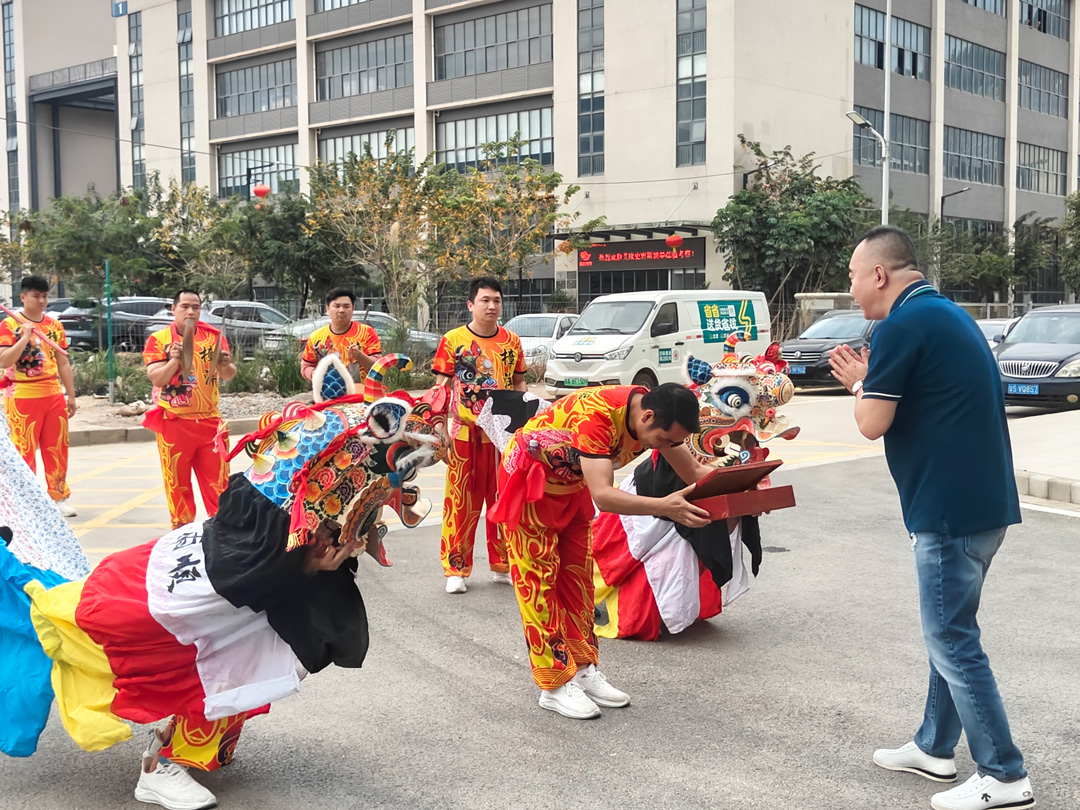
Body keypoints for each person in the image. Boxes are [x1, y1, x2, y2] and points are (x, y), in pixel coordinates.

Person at [0, 355, 449, 810]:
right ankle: (160, 766)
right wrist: (312, 568)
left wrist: (329, 555)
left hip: (194, 581)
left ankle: (191, 742)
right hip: (152, 602)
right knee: (240, 662)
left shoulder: (283, 500)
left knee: (260, 652)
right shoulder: (268, 520)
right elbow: (258, 575)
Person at [828, 226, 1033, 810]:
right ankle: (934, 747)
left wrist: (859, 381)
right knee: (951, 630)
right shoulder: (948, 314)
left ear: (880, 275)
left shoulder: (901, 325)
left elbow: (872, 422)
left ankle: (1004, 773)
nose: (851, 289)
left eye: (851, 276)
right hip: (980, 502)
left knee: (951, 638)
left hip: (948, 510)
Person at [487, 383, 713, 719]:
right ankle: (553, 684)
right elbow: (604, 496)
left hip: (572, 483)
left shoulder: (655, 416)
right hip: (530, 482)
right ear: (647, 417)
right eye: (665, 440)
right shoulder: (599, 418)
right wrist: (665, 507)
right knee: (539, 583)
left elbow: (694, 472)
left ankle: (582, 667)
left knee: (578, 581)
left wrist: (741, 485)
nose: (666, 448)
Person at [432, 276, 526, 594]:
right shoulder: (453, 340)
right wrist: (439, 429)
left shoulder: (512, 341)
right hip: (463, 435)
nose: (491, 305)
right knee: (461, 502)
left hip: (502, 436)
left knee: (503, 499)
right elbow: (440, 390)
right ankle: (455, 568)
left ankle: (503, 564)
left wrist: (523, 426)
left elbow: (519, 385)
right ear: (471, 304)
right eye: (485, 300)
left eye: (496, 300)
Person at [143, 290, 237, 529]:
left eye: (195, 307)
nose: (191, 312)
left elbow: (228, 374)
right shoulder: (159, 339)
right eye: (185, 306)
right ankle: (182, 533)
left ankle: (222, 531)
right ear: (173, 309)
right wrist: (174, 360)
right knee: (177, 484)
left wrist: (225, 364)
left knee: (219, 484)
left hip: (210, 422)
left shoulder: (214, 337)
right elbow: (157, 378)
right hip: (174, 422)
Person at [0, 275, 77, 517]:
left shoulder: (55, 326)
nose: (42, 300)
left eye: (45, 296)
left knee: (57, 447)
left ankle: (59, 496)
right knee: (24, 449)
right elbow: (4, 360)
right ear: (22, 298)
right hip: (22, 394)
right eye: (36, 296)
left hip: (52, 393)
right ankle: (28, 500)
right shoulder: (8, 325)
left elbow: (63, 362)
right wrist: (24, 336)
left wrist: (71, 395)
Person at [301, 288, 381, 383]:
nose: (341, 310)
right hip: (328, 392)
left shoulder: (366, 332)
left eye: (346, 306)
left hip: (362, 392)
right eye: (337, 306)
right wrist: (316, 374)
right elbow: (306, 366)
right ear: (328, 309)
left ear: (353, 309)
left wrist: (359, 355)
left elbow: (378, 366)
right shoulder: (316, 337)